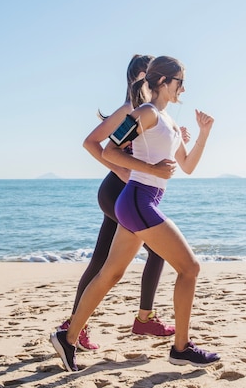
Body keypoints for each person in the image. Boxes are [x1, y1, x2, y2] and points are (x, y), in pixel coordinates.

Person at [50, 56, 220, 371]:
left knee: (110, 274)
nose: (183, 87)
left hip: (142, 202)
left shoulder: (167, 121)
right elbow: (109, 150)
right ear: (164, 81)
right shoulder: (144, 113)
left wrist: (203, 134)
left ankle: (68, 337)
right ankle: (181, 348)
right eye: (180, 80)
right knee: (190, 268)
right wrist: (150, 168)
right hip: (138, 200)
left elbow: (188, 166)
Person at [57, 54, 179, 351]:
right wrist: (122, 170)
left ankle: (75, 325)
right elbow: (92, 143)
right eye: (146, 72)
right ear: (138, 76)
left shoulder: (150, 113)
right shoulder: (130, 110)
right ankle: (142, 318)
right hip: (116, 192)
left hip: (126, 194)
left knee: (102, 260)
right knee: (156, 251)